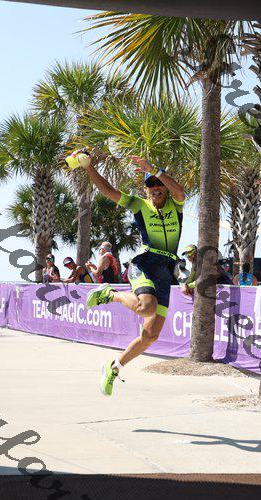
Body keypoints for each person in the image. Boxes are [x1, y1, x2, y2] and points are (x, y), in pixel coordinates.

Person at [72, 150, 185, 396]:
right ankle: (110, 294)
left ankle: (114, 367)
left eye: (159, 184)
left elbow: (179, 191)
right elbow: (109, 191)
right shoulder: (139, 204)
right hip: (145, 262)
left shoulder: (176, 204)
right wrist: (88, 167)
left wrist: (153, 169)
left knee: (150, 335)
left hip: (165, 271)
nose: (155, 188)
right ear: (146, 190)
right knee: (146, 308)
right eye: (150, 185)